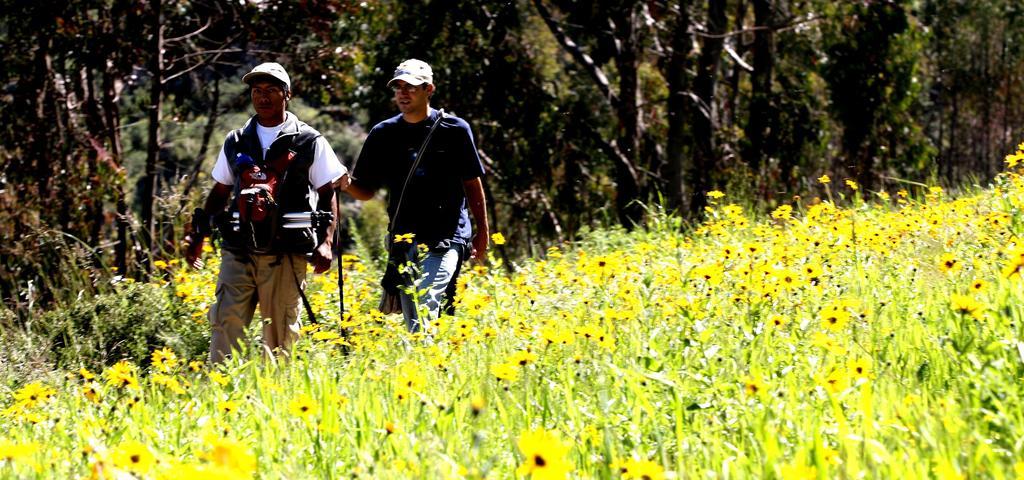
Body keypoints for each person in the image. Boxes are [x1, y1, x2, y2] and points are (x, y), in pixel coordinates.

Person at [183, 62, 349, 363]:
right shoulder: (236, 141)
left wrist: (326, 243)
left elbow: (328, 193)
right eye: (257, 91)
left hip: (285, 252)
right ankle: (222, 393)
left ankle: (276, 397)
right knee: (225, 322)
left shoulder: (309, 141)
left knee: (280, 335)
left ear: (287, 94)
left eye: (271, 90)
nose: (263, 97)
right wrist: (199, 235)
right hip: (238, 248)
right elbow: (219, 193)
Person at [345, 58, 489, 333]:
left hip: (447, 234)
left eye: (410, 86)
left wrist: (482, 231)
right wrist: (342, 182)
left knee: (426, 296)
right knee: (414, 313)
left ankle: (426, 356)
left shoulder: (455, 130)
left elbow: (472, 182)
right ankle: (426, 362)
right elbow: (365, 191)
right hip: (404, 237)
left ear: (428, 89)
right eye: (398, 86)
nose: (403, 92)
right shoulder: (382, 133)